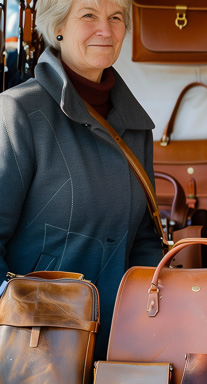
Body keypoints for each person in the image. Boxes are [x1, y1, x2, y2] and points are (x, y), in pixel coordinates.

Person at [0, 0, 163, 360]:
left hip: (121, 346)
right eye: (88, 15)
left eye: (116, 17)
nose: (106, 29)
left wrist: (149, 320)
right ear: (57, 27)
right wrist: (22, 323)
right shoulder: (18, 112)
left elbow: (145, 241)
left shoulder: (137, 127)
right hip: (36, 350)